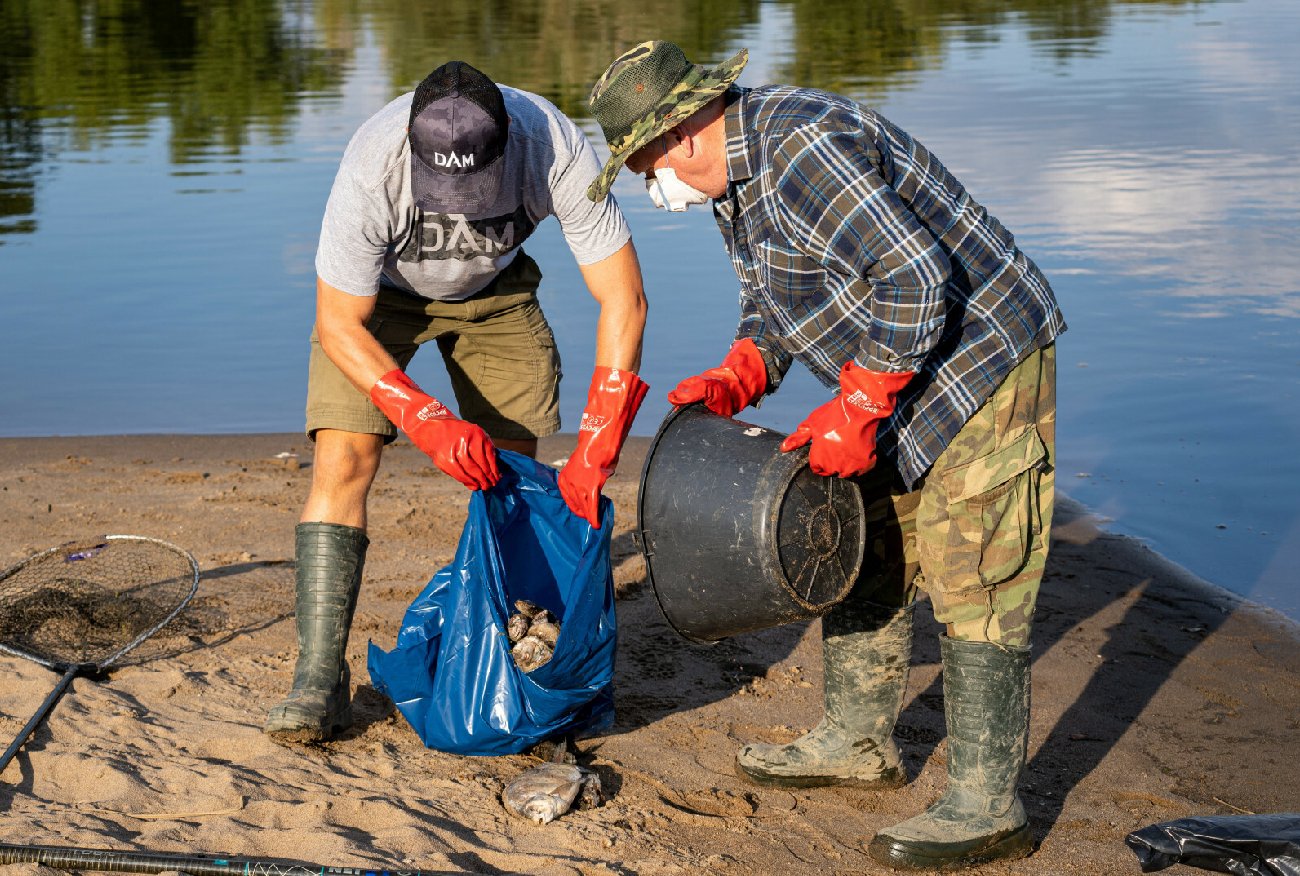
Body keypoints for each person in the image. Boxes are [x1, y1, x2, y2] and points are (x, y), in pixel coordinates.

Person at [585, 41, 1065, 870]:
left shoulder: (801, 148)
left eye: (640, 167)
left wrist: (860, 402)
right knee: (865, 539)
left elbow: (918, 278)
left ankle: (991, 807)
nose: (646, 185)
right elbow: (776, 297)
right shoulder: (735, 179)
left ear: (683, 136)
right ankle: (856, 740)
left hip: (979, 357)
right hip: (894, 365)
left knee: (974, 573)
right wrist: (748, 366)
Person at [265, 61, 648, 744]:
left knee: (514, 476)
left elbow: (622, 297)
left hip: (495, 296)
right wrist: (425, 416)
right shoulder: (371, 166)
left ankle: (509, 647)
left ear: (508, 144)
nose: (456, 204)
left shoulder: (554, 146)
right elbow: (337, 323)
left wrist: (599, 442)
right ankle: (319, 678)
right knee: (344, 461)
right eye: (442, 188)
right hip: (377, 303)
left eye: (473, 187)